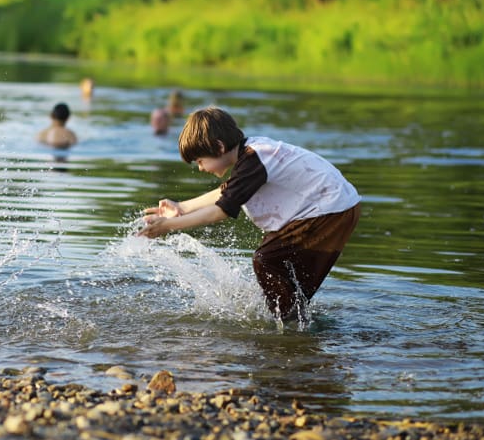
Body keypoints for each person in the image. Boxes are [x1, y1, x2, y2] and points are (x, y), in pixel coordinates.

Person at [138, 106, 360, 321]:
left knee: (267, 260)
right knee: (280, 272)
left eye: (200, 160)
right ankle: (292, 323)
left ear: (218, 147)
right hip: (330, 208)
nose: (201, 168)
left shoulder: (255, 158)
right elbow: (227, 192)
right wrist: (182, 207)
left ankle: (288, 324)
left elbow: (221, 211)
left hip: (331, 209)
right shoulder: (250, 155)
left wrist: (168, 226)